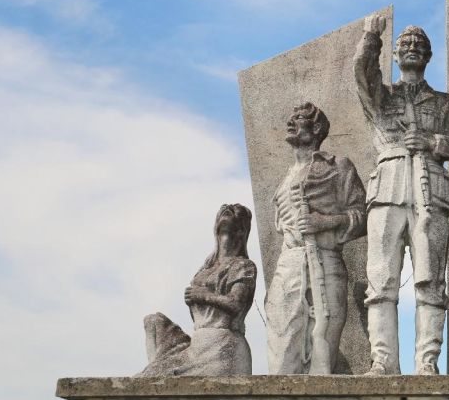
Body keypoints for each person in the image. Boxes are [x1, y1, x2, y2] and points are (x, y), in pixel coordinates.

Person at [354, 16, 449, 375]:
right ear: (394, 54)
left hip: (429, 193)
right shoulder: (381, 97)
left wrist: (433, 142)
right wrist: (370, 37)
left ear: (428, 56)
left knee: (431, 282)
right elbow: (362, 74)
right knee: (380, 280)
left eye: (418, 46)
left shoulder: (445, 103)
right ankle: (383, 361)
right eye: (405, 45)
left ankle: (427, 363)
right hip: (388, 189)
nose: (411, 50)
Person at [264, 102, 366, 374]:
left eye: (298, 118)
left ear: (317, 127)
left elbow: (361, 216)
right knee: (282, 344)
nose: (290, 122)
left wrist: (325, 222)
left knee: (324, 347)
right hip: (289, 264)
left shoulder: (339, 166)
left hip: (326, 259)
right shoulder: (285, 178)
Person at [140, 203, 257, 377]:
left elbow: (235, 304)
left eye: (233, 214)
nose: (227, 212)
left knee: (152, 376)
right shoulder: (205, 270)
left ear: (242, 231)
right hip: (197, 345)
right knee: (153, 322)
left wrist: (203, 295)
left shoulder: (243, 265)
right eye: (223, 214)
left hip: (223, 346)